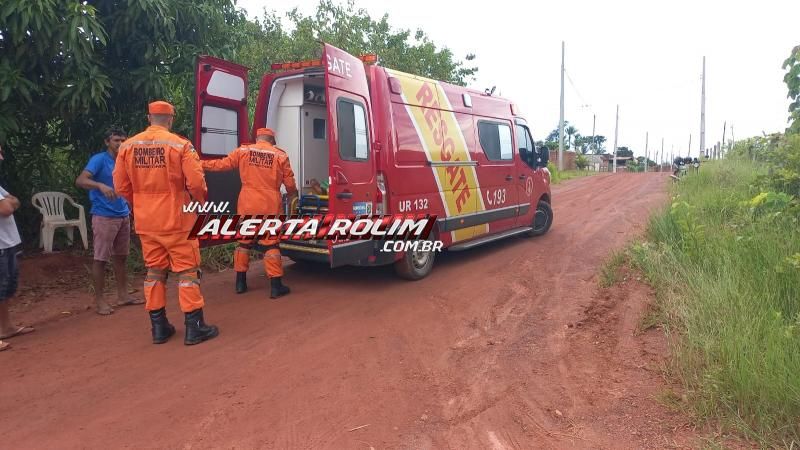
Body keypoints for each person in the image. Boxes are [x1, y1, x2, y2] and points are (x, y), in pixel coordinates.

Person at [113, 101, 218, 345]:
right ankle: (195, 327)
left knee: (154, 271)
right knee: (188, 272)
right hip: (177, 220)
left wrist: (139, 204)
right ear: (170, 119)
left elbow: (120, 186)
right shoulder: (180, 145)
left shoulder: (127, 147)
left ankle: (158, 328)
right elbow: (196, 183)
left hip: (147, 222)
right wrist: (199, 202)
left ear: (149, 117)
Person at [201, 128, 297, 298]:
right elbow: (289, 183)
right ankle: (275, 286)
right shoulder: (280, 155)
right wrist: (292, 196)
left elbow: (222, 164)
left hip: (247, 203)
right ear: (272, 141)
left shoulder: (244, 151)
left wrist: (199, 164)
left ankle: (240, 283)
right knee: (271, 244)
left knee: (244, 243)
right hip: (270, 204)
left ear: (257, 138)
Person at [76, 126, 143, 315]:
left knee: (121, 257)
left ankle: (123, 295)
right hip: (103, 215)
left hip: (122, 214)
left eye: (123, 140)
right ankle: (100, 301)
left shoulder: (126, 160)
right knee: (101, 259)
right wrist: (99, 185)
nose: (120, 144)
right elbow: (80, 180)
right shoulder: (98, 160)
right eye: (116, 140)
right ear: (107, 142)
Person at [0, 144, 35, 351]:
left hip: (7, 242)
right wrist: (10, 203)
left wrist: (10, 202)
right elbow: (6, 207)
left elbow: (15, 201)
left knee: (6, 288)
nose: (2, 157)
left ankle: (6, 327)